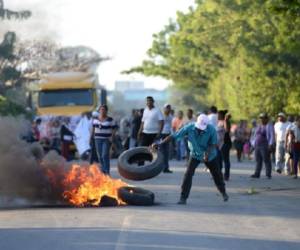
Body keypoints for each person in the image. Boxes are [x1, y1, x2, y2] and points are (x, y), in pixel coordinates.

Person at [152, 114, 229, 204]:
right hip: (195, 154)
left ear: (206, 125)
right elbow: (174, 136)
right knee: (188, 174)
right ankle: (183, 197)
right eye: (198, 128)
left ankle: (223, 192)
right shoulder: (189, 127)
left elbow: (213, 144)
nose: (200, 130)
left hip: (210, 155)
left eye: (202, 129)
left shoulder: (211, 129)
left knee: (217, 174)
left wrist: (207, 154)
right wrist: (160, 144)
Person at [91, 105, 117, 174]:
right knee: (99, 156)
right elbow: (93, 129)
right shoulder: (95, 119)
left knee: (104, 155)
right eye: (101, 109)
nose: (102, 111)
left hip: (106, 139)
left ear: (106, 111)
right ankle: (103, 171)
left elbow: (114, 129)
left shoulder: (110, 119)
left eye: (104, 109)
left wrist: (112, 137)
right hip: (97, 139)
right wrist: (91, 137)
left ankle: (107, 172)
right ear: (99, 111)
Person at [251, 113, 275, 179]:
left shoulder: (269, 126)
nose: (261, 119)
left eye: (263, 118)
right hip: (257, 144)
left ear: (266, 119)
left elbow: (272, 136)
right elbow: (255, 135)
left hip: (265, 144)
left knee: (266, 159)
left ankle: (268, 174)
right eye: (261, 118)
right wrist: (253, 144)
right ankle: (257, 173)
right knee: (258, 160)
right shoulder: (259, 126)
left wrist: (270, 144)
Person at [160, 104, 173, 173]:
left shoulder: (171, 116)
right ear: (164, 109)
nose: (168, 109)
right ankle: (160, 167)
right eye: (167, 108)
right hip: (161, 134)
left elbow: (171, 126)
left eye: (169, 108)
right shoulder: (161, 116)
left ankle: (166, 168)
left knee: (166, 152)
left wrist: (172, 134)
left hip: (168, 134)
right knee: (161, 152)